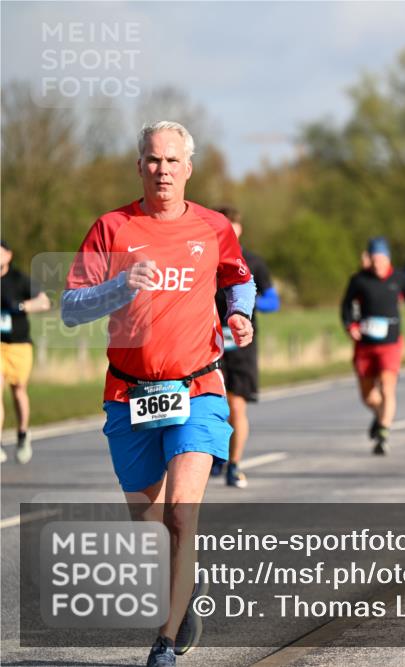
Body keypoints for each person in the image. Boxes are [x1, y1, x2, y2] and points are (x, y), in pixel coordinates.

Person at [61, 121, 256, 667]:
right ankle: (183, 591)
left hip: (198, 387)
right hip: (130, 394)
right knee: (148, 529)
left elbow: (238, 278)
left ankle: (165, 642)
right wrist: (119, 286)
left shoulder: (214, 226)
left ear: (188, 168)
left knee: (180, 517)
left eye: (172, 161)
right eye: (152, 160)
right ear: (139, 166)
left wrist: (240, 313)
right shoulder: (112, 228)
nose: (162, 170)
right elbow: (71, 309)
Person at [210, 207, 279, 489]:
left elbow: (273, 302)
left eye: (231, 227)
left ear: (239, 230)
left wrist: (245, 305)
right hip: (207, 340)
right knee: (213, 404)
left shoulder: (253, 262)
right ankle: (216, 454)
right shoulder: (202, 257)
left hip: (242, 342)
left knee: (237, 405)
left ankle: (233, 465)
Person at [342, 237, 405, 454]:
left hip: (391, 343)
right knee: (368, 395)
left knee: (388, 388)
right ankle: (380, 416)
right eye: (374, 260)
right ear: (369, 259)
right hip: (365, 344)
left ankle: (383, 432)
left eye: (381, 259)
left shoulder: (400, 278)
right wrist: (350, 325)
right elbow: (346, 306)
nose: (378, 264)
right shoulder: (359, 280)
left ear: (388, 259)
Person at [0, 240, 51, 464]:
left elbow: (44, 302)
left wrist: (20, 307)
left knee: (18, 390)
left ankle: (22, 434)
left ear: (8, 256)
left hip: (20, 344)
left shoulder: (19, 279)